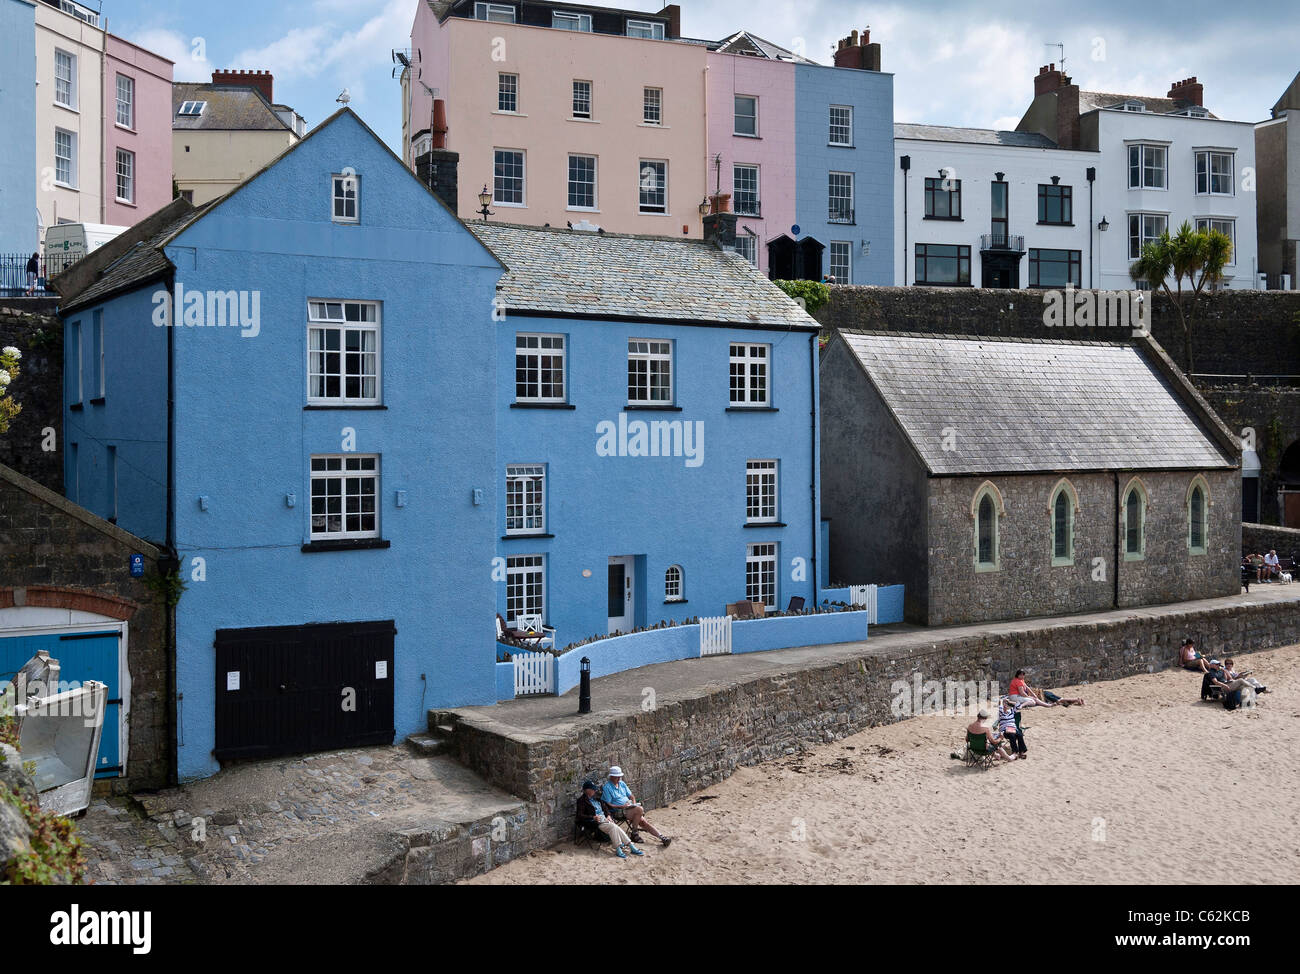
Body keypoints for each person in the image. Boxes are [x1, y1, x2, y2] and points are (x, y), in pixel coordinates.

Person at [601, 766, 672, 847]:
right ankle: (634, 833)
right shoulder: (607, 787)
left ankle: (661, 837)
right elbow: (608, 804)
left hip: (630, 808)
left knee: (643, 821)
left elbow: (632, 796)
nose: (619, 778)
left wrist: (633, 804)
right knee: (639, 810)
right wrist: (622, 806)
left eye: (619, 777)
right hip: (619, 810)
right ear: (611, 776)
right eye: (617, 777)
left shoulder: (622, 784)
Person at [576, 780, 643, 859]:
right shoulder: (582, 801)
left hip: (605, 819)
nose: (594, 790)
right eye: (592, 789)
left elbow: (605, 809)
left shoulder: (597, 798)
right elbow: (580, 815)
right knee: (613, 827)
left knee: (614, 827)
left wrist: (608, 815)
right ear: (587, 790)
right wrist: (593, 817)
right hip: (595, 822)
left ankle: (627, 846)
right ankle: (625, 847)